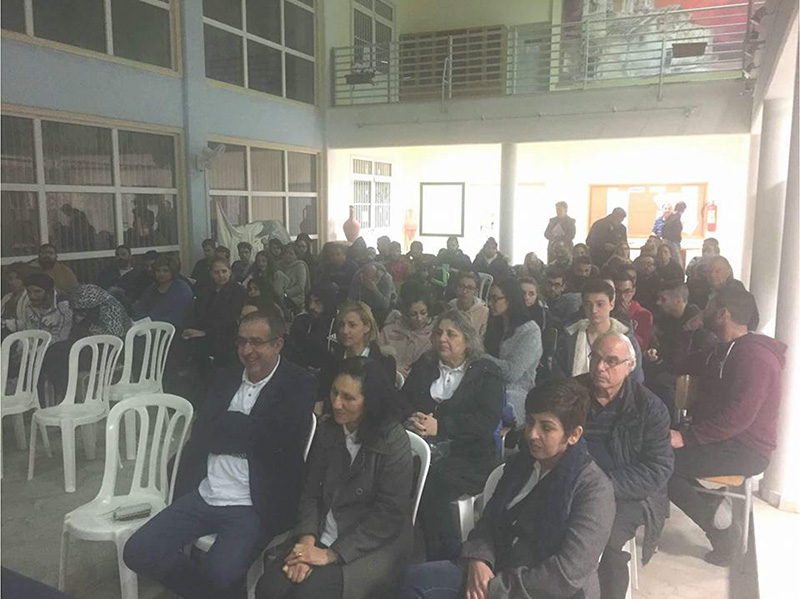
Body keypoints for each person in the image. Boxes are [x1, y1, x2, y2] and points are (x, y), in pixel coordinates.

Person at [124, 311, 317, 599]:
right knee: (138, 551)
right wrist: (249, 430)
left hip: (253, 504)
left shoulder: (299, 383)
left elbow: (279, 440)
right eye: (241, 341)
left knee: (218, 574)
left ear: (278, 344)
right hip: (206, 492)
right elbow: (202, 432)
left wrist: (227, 427)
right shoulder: (226, 376)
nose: (246, 350)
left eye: (256, 342)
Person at [401, 378, 615, 599]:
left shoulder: (594, 490)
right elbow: (489, 521)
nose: (532, 434)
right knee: (416, 580)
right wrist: (479, 559)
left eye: (546, 427)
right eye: (530, 422)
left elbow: (565, 576)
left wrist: (495, 588)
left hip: (544, 592)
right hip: (498, 567)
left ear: (574, 435)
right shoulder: (521, 464)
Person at [256, 358, 412, 599]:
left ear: (370, 402)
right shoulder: (329, 430)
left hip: (369, 544)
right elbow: (310, 492)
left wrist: (331, 554)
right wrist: (307, 542)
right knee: (269, 588)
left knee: (308, 594)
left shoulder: (393, 441)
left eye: (348, 398)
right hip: (322, 532)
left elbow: (388, 516)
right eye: (334, 392)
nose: (337, 403)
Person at [668, 287, 784, 566]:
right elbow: (679, 364)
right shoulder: (723, 351)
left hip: (747, 449)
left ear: (723, 314)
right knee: (659, 460)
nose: (703, 311)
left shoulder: (756, 358)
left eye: (709, 306)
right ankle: (715, 507)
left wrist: (687, 437)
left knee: (663, 466)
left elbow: (738, 418)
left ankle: (721, 533)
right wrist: (687, 330)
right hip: (724, 440)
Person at [400, 309, 504, 560]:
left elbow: (485, 423)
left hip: (469, 456)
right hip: (423, 448)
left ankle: (440, 558)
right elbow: (401, 401)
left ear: (467, 340)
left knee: (432, 486)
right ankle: (398, 546)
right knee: (394, 474)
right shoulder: (426, 365)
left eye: (451, 334)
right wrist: (411, 418)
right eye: (438, 333)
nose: (442, 339)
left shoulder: (487, 373)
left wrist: (441, 427)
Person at [578, 333, 673, 599]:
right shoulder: (572, 393)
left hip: (625, 493)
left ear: (630, 365)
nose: (600, 367)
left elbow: (657, 469)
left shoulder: (649, 408)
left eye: (611, 361)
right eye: (595, 358)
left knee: (605, 541)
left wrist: (602, 486)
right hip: (573, 482)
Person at [41, 284, 132, 401]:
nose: (76, 312)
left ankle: (66, 395)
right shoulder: (87, 309)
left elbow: (114, 339)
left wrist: (89, 329)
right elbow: (75, 334)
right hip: (86, 346)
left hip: (106, 353)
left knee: (60, 356)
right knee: (54, 352)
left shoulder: (110, 310)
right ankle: (63, 392)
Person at [643, 283, 715, 420]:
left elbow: (692, 359)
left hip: (688, 374)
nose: (658, 303)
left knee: (661, 382)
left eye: (663, 299)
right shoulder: (666, 320)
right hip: (667, 367)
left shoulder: (697, 324)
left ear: (678, 300)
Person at [555, 278, 644, 383]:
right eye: (588, 304)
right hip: (576, 391)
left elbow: (635, 380)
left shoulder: (627, 340)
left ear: (611, 304)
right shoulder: (569, 338)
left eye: (600, 304)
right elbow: (559, 378)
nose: (593, 310)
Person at [484, 278, 542, 427]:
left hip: (517, 393)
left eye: (495, 298)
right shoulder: (496, 325)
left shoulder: (530, 331)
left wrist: (480, 357)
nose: (489, 303)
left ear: (510, 300)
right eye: (489, 298)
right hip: (490, 387)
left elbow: (512, 372)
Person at [318, 302, 396, 410]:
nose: (345, 331)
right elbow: (322, 394)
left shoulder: (385, 363)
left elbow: (387, 404)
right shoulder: (332, 359)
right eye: (342, 325)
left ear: (367, 327)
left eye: (352, 325)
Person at [182, 259, 247, 370]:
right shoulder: (205, 290)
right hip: (203, 330)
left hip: (226, 334)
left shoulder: (238, 291)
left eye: (224, 271)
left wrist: (204, 332)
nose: (221, 275)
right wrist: (191, 329)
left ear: (230, 272)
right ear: (211, 274)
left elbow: (230, 319)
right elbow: (198, 313)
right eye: (216, 272)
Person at [378, 282, 434, 377]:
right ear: (405, 313)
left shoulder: (435, 334)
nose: (419, 318)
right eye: (413, 314)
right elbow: (375, 358)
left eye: (423, 313)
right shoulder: (389, 330)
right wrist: (392, 367)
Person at [284, 283, 338, 370]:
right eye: (310, 301)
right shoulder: (300, 321)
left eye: (317, 302)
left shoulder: (339, 324)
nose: (311, 306)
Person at [133, 255, 194, 331]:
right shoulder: (152, 289)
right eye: (158, 271)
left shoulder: (181, 288)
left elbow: (177, 316)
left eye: (165, 271)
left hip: (175, 330)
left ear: (172, 272)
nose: (161, 274)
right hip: (149, 329)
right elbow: (139, 310)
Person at [19, 273, 72, 343]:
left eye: (37, 292)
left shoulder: (64, 308)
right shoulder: (30, 306)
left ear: (49, 292)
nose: (32, 296)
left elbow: (62, 338)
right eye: (29, 292)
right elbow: (29, 333)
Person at [348, 260, 396, 326]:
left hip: (384, 308)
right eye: (366, 278)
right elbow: (351, 298)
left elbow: (385, 305)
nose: (369, 281)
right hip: (364, 306)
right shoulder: (358, 277)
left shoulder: (386, 278)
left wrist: (374, 290)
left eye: (371, 279)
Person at [613, 271, 653, 350]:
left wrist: (626, 321)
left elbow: (642, 345)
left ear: (633, 291)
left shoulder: (643, 314)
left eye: (627, 291)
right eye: (618, 292)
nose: (622, 297)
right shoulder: (607, 311)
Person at [448, 272, 489, 337]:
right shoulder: (449, 307)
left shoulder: (484, 312)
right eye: (461, 286)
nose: (464, 291)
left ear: (476, 291)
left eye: (470, 288)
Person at [541, 266, 582, 331]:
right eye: (549, 284)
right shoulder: (538, 300)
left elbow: (570, 324)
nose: (552, 288)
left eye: (557, 285)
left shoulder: (569, 301)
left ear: (563, 287)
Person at [275, 243, 310, 312]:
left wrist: (285, 293)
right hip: (279, 296)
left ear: (296, 256)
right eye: (286, 253)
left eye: (291, 254)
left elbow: (300, 287)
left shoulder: (300, 266)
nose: (288, 255)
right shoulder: (278, 265)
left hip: (295, 297)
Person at [1, 263, 30, 336]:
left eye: (18, 279)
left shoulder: (30, 298)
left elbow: (28, 324)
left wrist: (5, 322)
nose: (12, 282)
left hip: (19, 336)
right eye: (10, 279)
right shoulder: (7, 297)